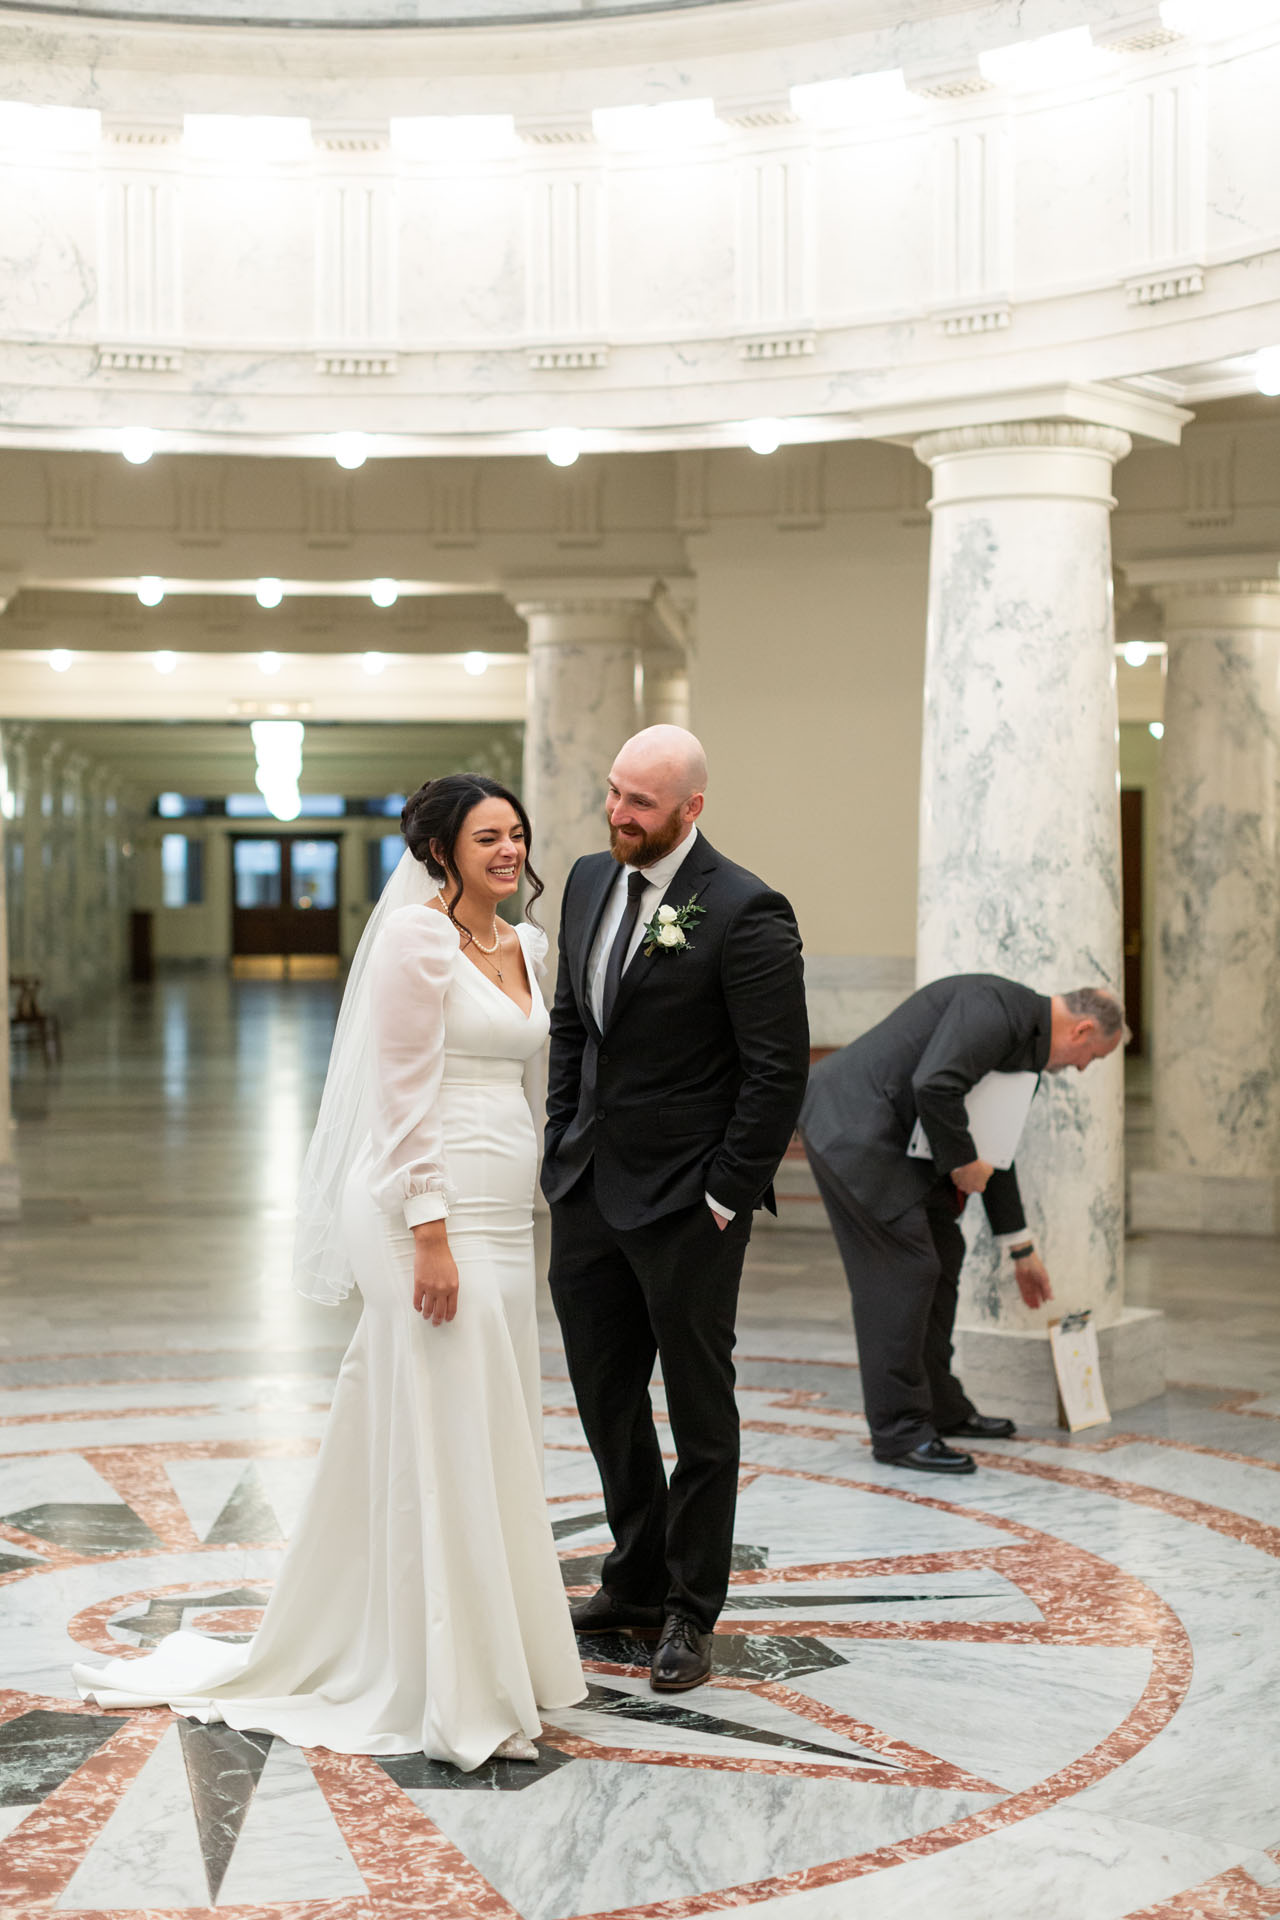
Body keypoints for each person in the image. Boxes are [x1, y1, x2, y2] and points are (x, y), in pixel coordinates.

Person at [74, 774, 585, 1767]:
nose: (509, 850)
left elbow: (528, 1080)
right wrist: (429, 1231)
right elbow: (400, 1096)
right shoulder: (416, 941)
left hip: (504, 1216)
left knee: (491, 1419)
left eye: (516, 834)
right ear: (439, 852)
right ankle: (446, 1684)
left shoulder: (527, 946)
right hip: (415, 1213)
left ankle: (499, 1657)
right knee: (443, 1421)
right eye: (487, 836)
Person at [543, 725, 810, 1693]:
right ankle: (633, 1578)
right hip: (586, 1191)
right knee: (605, 1399)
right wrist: (558, 1141)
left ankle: (690, 1609)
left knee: (698, 1412)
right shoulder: (586, 880)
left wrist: (724, 1195)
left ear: (690, 808)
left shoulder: (744, 909)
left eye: (641, 802)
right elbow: (573, 1025)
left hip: (687, 1205)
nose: (618, 813)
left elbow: (777, 1072)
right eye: (614, 791)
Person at [800, 978, 1126, 1475]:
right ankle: (899, 1432)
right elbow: (934, 1085)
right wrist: (962, 1162)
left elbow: (995, 1149)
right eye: (1093, 1057)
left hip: (900, 1141)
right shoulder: (996, 1008)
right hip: (854, 1127)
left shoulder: (1027, 1046)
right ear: (1081, 1030)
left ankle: (940, 1407)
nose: (1082, 1068)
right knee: (903, 1273)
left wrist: (1020, 1249)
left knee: (943, 1257)